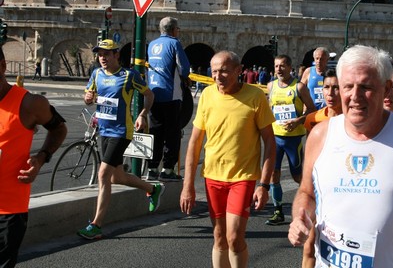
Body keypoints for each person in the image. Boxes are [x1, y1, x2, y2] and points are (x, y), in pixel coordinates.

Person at [288, 45, 393, 268]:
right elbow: (306, 192)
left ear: (386, 89)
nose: (355, 96)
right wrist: (299, 218)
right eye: (348, 86)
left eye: (366, 87)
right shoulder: (320, 135)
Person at [180, 51, 276, 268]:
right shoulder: (207, 95)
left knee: (234, 237)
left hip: (243, 177)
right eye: (214, 71)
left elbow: (270, 143)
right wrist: (188, 185)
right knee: (219, 237)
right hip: (212, 176)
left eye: (224, 70)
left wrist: (264, 184)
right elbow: (194, 142)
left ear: (238, 70)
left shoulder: (255, 97)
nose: (217, 76)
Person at [78, 39, 163, 240]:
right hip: (104, 131)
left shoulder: (129, 75)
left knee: (103, 174)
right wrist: (88, 99)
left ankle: (96, 224)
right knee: (117, 177)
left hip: (121, 131)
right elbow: (88, 97)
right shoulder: (96, 74)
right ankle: (153, 189)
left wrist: (143, 114)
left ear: (117, 55)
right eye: (100, 54)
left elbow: (149, 94)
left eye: (107, 54)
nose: (103, 58)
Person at [0, 46, 68, 267]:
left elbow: (59, 129)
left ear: (2, 67)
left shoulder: (30, 104)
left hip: (8, 210)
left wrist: (41, 158)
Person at [265, 55, 316, 225]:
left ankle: (312, 205)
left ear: (289, 67)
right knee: (274, 174)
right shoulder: (271, 86)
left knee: (297, 177)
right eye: (276, 66)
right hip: (275, 137)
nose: (279, 69)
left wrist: (298, 121)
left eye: (282, 66)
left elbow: (312, 109)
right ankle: (277, 210)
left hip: (294, 139)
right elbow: (268, 109)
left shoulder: (299, 87)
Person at [301, 68, 342, 268]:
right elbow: (310, 157)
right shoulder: (313, 119)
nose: (331, 93)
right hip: (319, 189)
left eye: (336, 88)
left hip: (344, 189)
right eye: (327, 87)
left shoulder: (356, 120)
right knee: (309, 245)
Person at [147, 17, 191, 181]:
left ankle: (152, 168)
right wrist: (185, 77)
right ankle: (167, 169)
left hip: (153, 94)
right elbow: (184, 68)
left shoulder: (152, 45)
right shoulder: (174, 43)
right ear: (174, 30)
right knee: (172, 133)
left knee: (155, 132)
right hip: (171, 95)